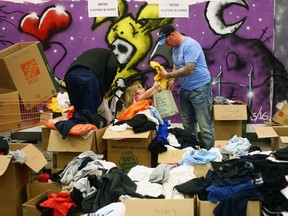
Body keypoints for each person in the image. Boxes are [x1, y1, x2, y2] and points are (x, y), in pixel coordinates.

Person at [157, 24, 215, 150]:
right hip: (186, 90)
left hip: (200, 89)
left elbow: (189, 69)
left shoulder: (190, 45)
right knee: (188, 124)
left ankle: (208, 154)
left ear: (172, 35)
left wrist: (168, 76)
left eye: (166, 41)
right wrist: (172, 79)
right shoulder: (175, 48)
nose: (166, 45)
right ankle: (192, 150)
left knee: (204, 125)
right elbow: (176, 65)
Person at [64, 48, 119, 115]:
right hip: (88, 76)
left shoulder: (95, 53)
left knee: (78, 112)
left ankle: (78, 124)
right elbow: (112, 67)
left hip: (70, 75)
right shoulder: (112, 54)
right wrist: (106, 89)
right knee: (89, 112)